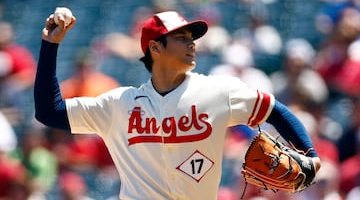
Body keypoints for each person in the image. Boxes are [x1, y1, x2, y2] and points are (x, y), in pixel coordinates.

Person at [34, 10, 321, 200]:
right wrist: (51, 45)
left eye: (192, 39)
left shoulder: (218, 91)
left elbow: (275, 110)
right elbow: (49, 112)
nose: (192, 44)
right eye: (181, 38)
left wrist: (310, 153)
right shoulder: (119, 104)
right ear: (155, 48)